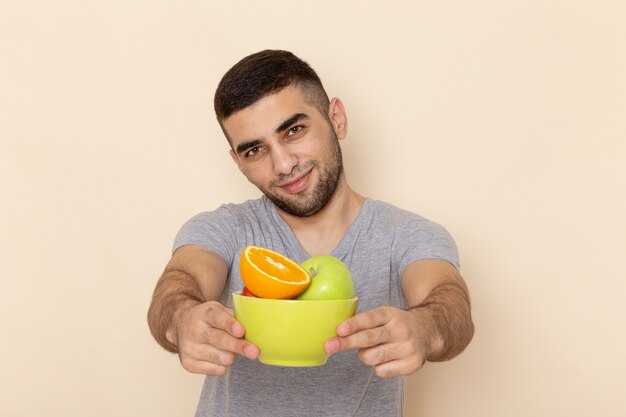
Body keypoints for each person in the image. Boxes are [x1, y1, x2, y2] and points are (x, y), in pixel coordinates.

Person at [147, 49, 474, 417]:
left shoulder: (408, 234)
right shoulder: (224, 229)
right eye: (255, 150)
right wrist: (182, 319)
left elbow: (450, 305)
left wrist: (424, 327)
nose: (284, 164)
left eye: (294, 130)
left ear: (337, 119)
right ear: (238, 163)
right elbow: (179, 283)